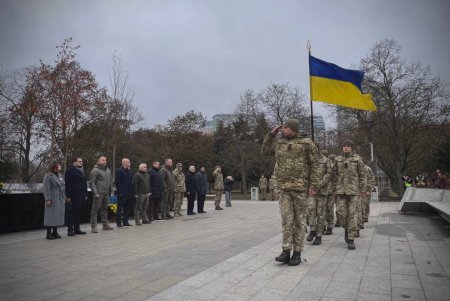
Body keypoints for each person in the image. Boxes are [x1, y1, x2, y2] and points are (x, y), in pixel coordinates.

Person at [262, 119, 320, 266]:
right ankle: (286, 251)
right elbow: (265, 151)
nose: (283, 129)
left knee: (299, 222)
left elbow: (315, 165)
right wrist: (271, 135)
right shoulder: (280, 143)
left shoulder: (307, 143)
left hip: (301, 189)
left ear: (293, 128)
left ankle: (297, 253)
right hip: (284, 189)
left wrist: (313, 186)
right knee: (287, 221)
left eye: (285, 127)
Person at [332, 140, 366, 250]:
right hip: (341, 191)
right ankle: (347, 228)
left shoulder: (357, 159)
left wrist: (362, 189)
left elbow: (362, 175)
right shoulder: (337, 159)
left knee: (352, 214)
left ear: (351, 148)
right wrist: (333, 189)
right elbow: (334, 175)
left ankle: (351, 238)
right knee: (341, 213)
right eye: (344, 146)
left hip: (354, 191)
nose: (346, 147)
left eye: (348, 146)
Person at [306, 150, 333, 245]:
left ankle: (319, 235)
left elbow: (329, 174)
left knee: (321, 214)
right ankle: (312, 230)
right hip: (311, 192)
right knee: (310, 211)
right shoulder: (308, 159)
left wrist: (318, 185)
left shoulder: (326, 160)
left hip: (322, 191)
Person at [90, 156, 114, 233]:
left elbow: (110, 181)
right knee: (95, 210)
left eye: (105, 160)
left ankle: (105, 225)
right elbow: (92, 182)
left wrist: (112, 191)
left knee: (105, 209)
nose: (104, 161)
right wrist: (95, 192)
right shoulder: (95, 170)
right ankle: (94, 227)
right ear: (98, 161)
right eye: (102, 160)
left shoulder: (108, 170)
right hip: (98, 193)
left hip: (106, 193)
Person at [65, 157, 87, 236]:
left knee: (78, 212)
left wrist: (85, 194)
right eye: (79, 161)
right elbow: (68, 184)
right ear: (74, 162)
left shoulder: (82, 171)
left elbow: (84, 183)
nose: (81, 163)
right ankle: (70, 229)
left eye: (82, 161)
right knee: (71, 213)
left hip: (81, 196)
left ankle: (77, 229)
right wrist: (68, 196)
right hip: (73, 196)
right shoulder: (69, 171)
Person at [43, 161, 66, 240]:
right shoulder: (48, 176)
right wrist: (48, 199)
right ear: (54, 167)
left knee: (57, 215)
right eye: (58, 165)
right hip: (52, 197)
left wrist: (64, 197)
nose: (60, 166)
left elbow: (63, 186)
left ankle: (55, 232)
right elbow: (46, 189)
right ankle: (48, 233)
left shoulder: (60, 175)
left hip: (59, 197)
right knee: (50, 215)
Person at [115, 158, 133, 228]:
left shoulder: (129, 171)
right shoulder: (119, 171)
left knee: (126, 208)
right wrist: (120, 192)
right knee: (119, 209)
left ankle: (125, 221)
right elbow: (117, 182)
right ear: (124, 163)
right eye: (128, 162)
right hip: (122, 193)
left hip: (128, 193)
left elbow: (131, 182)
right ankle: (118, 222)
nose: (129, 163)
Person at [324, 154, 336, 235]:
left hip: (329, 191)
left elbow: (335, 179)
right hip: (326, 190)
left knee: (327, 210)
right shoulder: (326, 165)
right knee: (327, 210)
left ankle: (328, 227)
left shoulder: (333, 167)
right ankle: (328, 226)